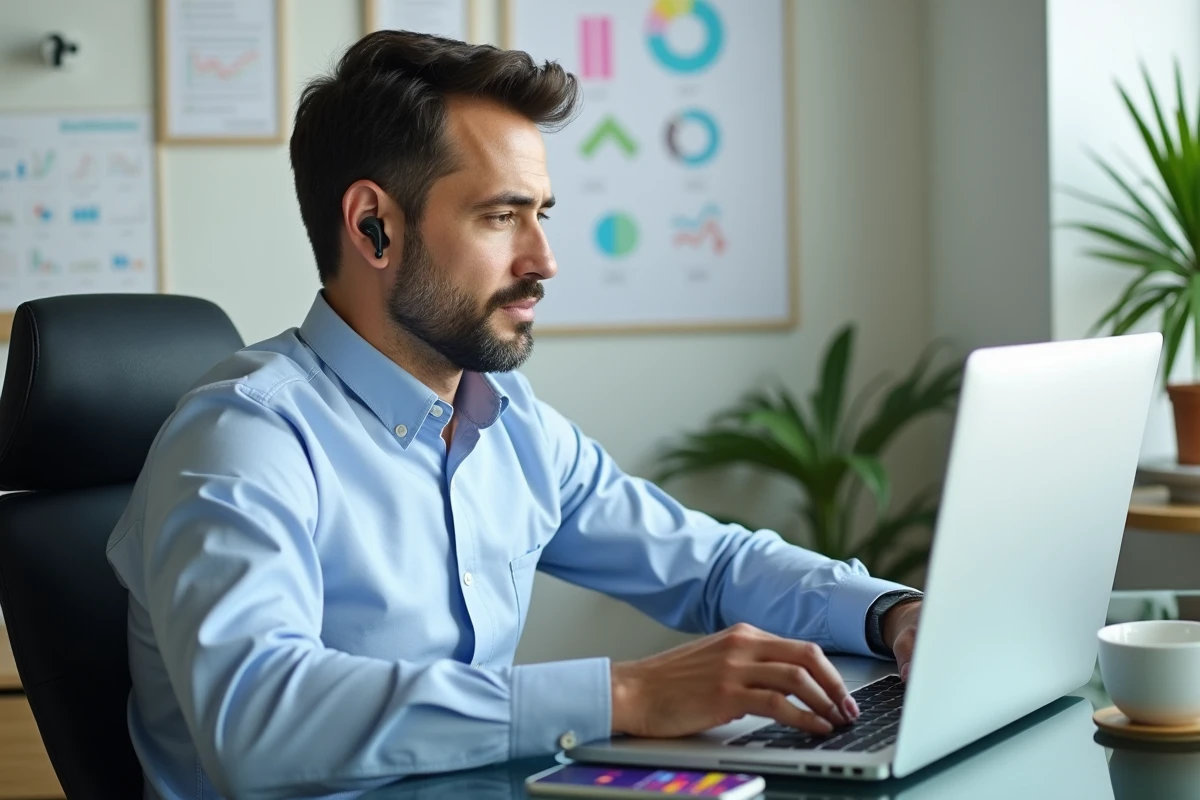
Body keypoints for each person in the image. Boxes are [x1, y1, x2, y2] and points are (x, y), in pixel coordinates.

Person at [106, 31, 924, 800]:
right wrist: (628, 693)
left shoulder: (511, 424)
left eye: (543, 214)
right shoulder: (242, 438)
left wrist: (891, 614)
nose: (544, 261)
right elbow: (258, 716)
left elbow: (707, 567)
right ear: (373, 226)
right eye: (501, 216)